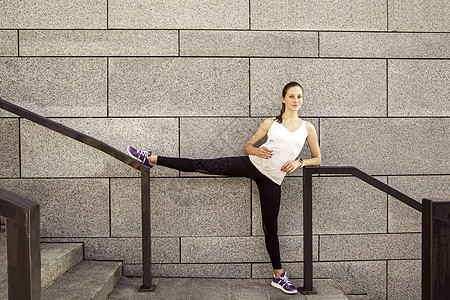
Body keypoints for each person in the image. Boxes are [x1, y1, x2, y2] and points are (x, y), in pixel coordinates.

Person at [127, 82, 321, 294]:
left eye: (299, 97)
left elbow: (317, 158)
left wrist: (299, 162)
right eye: (291, 96)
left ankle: (278, 276)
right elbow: (248, 146)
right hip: (251, 164)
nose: (296, 100)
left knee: (271, 227)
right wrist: (256, 151)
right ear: (283, 99)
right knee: (203, 164)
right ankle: (151, 158)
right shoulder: (270, 123)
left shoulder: (307, 128)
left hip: (273, 179)